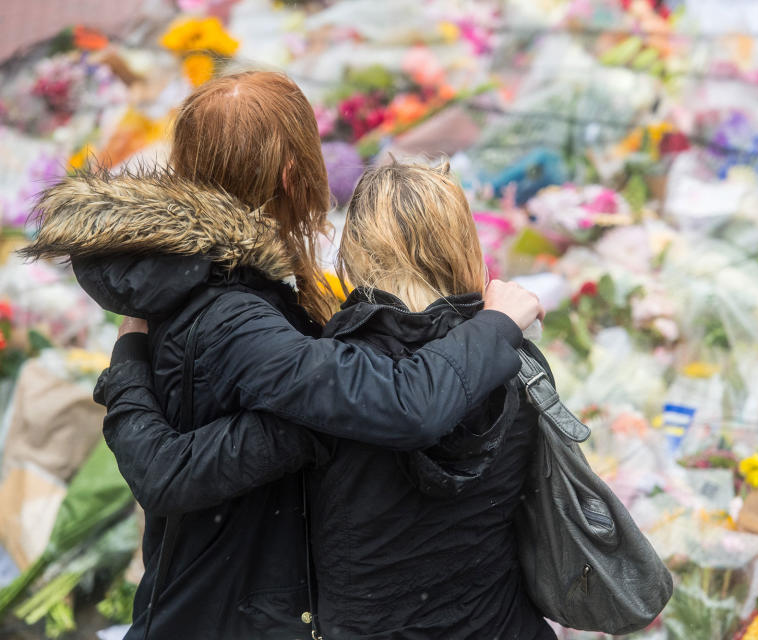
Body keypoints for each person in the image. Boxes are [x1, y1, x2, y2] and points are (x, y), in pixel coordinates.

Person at [21, 72, 541, 639]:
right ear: (296, 174)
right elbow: (405, 406)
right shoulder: (237, 319)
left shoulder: (207, 283)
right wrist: (496, 324)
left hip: (211, 604)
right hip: (225, 617)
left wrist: (130, 352)